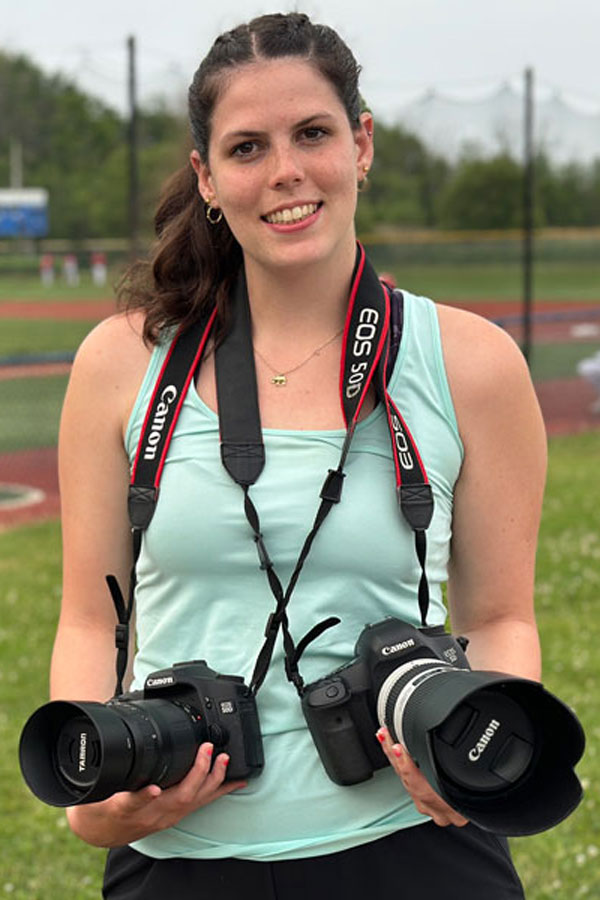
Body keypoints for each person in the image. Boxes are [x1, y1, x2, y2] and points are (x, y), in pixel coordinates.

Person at [51, 12, 546, 899]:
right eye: (247, 147)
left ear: (361, 144)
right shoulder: (123, 364)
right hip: (177, 853)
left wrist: (471, 761)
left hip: (416, 847)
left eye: (312, 133)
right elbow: (93, 618)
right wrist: (89, 798)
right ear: (207, 176)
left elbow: (503, 615)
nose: (286, 171)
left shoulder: (470, 363)